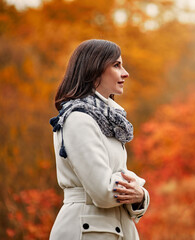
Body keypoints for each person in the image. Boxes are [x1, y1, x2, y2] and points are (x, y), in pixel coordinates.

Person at [49, 39, 149, 240]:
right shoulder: (78, 118)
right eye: (116, 65)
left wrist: (141, 196)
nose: (125, 73)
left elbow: (114, 182)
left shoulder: (107, 120)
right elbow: (103, 191)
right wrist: (137, 182)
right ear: (94, 70)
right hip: (86, 231)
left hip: (112, 229)